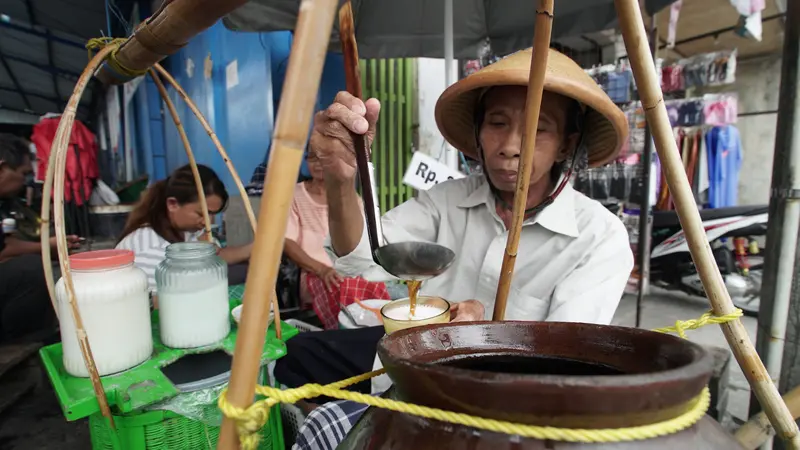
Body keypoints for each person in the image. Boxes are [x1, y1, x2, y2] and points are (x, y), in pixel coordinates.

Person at [279, 48, 635, 448]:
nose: (510, 146)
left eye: (539, 129)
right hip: (411, 373)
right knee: (287, 358)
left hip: (505, 415)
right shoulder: (447, 201)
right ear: (479, 133)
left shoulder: (599, 238)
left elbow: (563, 363)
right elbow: (364, 256)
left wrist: (482, 338)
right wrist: (343, 182)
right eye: (497, 123)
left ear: (567, 145)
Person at [283, 151, 390, 328]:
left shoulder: (348, 198)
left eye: (323, 158)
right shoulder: (294, 195)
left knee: (374, 283)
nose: (317, 163)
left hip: (348, 266)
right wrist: (322, 270)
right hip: (314, 272)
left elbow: (364, 235)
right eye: (312, 158)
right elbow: (287, 242)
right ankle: (343, 339)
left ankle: (376, 336)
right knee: (343, 286)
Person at [116, 164, 252, 292]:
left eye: (212, 214)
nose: (208, 222)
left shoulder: (186, 229)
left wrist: (253, 249)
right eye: (201, 214)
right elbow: (158, 305)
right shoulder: (151, 250)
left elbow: (216, 255)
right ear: (172, 204)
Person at [0, 134, 80, 342]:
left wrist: (48, 248)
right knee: (31, 270)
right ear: (1, 169)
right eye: (24, 173)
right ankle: (23, 345)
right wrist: (45, 248)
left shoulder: (9, 204)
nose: (26, 180)